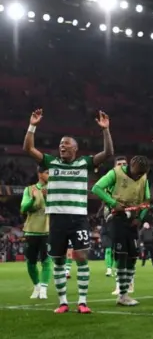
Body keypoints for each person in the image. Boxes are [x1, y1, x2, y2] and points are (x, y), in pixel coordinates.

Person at [23, 108, 113, 314]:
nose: (62, 146)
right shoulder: (50, 163)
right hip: (56, 220)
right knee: (58, 260)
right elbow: (28, 149)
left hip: (78, 219)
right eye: (60, 144)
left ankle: (82, 301)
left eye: (66, 144)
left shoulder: (85, 163)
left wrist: (105, 131)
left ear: (75, 149)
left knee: (81, 257)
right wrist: (32, 126)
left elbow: (108, 153)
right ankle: (63, 302)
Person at [92, 155, 151, 306]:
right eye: (137, 173)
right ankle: (122, 294)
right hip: (116, 217)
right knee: (122, 255)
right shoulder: (115, 173)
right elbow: (96, 188)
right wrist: (113, 203)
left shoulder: (143, 177)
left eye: (141, 174)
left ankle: (125, 292)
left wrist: (140, 218)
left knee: (133, 256)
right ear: (130, 166)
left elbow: (147, 201)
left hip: (133, 220)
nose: (138, 176)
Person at [20, 165, 51, 300]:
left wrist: (47, 197)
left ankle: (44, 289)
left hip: (47, 231)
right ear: (40, 174)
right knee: (30, 262)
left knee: (46, 261)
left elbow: (57, 209)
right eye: (47, 172)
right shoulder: (29, 189)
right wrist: (33, 198)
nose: (50, 175)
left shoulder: (54, 190)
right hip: (31, 231)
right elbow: (23, 208)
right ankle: (37, 286)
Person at [101, 156, 127, 278]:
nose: (122, 166)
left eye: (124, 164)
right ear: (114, 167)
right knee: (108, 246)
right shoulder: (109, 180)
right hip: (109, 219)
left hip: (123, 218)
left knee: (119, 247)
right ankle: (108, 269)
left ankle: (118, 268)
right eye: (119, 164)